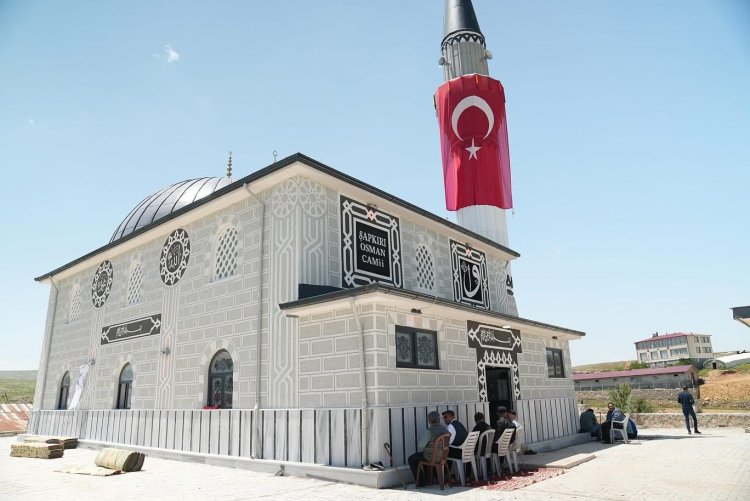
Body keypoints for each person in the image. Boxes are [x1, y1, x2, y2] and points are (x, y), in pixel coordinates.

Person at [408, 411, 450, 487]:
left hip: (431, 457)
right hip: (442, 457)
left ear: (429, 421)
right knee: (423, 456)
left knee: (412, 459)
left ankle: (421, 482)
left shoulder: (429, 431)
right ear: (439, 419)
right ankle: (428, 480)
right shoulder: (445, 429)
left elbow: (421, 445)